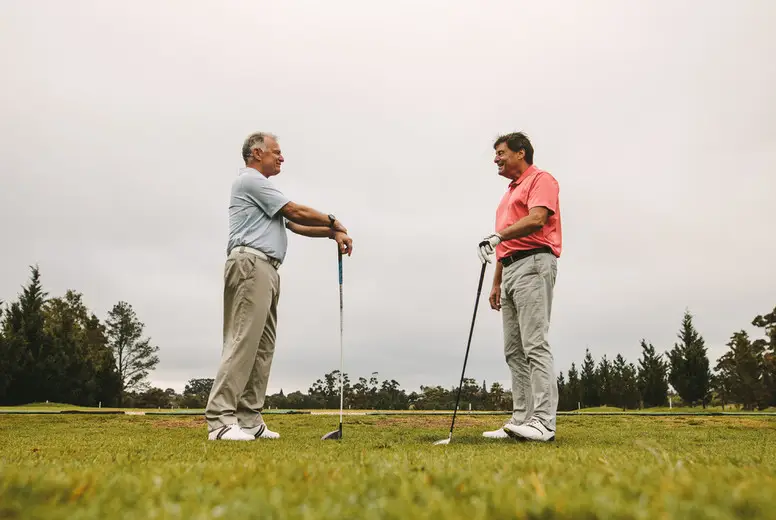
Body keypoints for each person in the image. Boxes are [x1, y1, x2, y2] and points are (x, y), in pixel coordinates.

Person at [205, 131, 353, 441]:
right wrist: (334, 220)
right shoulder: (249, 181)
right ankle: (220, 421)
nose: (281, 158)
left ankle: (248, 419)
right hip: (250, 266)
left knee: (263, 347)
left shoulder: (264, 190)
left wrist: (330, 233)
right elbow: (294, 211)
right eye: (276, 152)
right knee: (243, 342)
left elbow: (295, 225)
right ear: (257, 154)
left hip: (267, 270)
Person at [477, 132, 561, 442]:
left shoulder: (542, 179)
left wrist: (498, 237)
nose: (496, 158)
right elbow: (505, 238)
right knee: (513, 350)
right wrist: (496, 282)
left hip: (535, 263)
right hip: (511, 269)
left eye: (501, 152)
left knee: (534, 344)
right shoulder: (508, 194)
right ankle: (521, 420)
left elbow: (537, 219)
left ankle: (543, 422)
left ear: (520, 152)